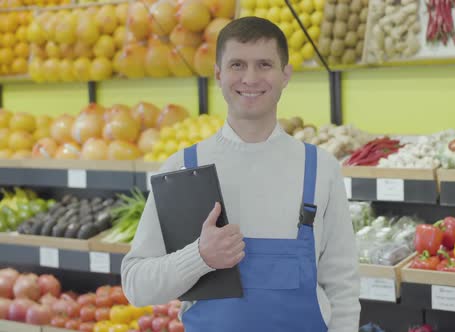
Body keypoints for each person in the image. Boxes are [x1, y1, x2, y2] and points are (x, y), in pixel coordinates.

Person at [121, 16, 360, 331]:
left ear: (285, 74)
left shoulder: (320, 168)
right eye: (237, 65)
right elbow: (136, 285)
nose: (250, 78)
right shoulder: (183, 167)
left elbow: (343, 286)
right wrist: (200, 256)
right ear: (218, 74)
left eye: (264, 64)